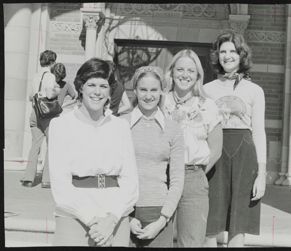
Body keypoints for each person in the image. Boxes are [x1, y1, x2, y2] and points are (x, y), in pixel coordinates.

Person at [48, 58, 139, 246]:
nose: (97, 92)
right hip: (74, 215)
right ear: (80, 87)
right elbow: (60, 185)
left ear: (110, 91)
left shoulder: (120, 127)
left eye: (103, 86)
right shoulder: (61, 125)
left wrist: (111, 219)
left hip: (114, 217)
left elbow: (131, 181)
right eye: (91, 85)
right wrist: (92, 220)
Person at [203, 31, 267, 247]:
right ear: (217, 56)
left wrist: (262, 174)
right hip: (215, 152)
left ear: (241, 55)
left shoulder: (255, 91)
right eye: (222, 51)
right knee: (210, 223)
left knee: (238, 223)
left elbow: (259, 132)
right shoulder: (206, 90)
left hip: (244, 153)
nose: (227, 56)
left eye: (232, 51)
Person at [163, 49, 223, 247]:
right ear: (171, 72)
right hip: (161, 177)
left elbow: (216, 149)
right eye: (180, 69)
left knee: (190, 242)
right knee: (158, 239)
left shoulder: (208, 106)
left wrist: (195, 175)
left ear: (198, 75)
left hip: (193, 176)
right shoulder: (160, 101)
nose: (185, 75)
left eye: (191, 70)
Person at [121, 66, 185, 247]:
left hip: (159, 211)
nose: (148, 96)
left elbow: (177, 180)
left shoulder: (173, 129)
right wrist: (126, 217)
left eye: (154, 90)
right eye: (143, 90)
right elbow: (114, 174)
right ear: (135, 91)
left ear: (162, 92)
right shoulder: (121, 124)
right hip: (126, 211)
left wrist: (162, 220)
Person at [20, 50, 60, 188]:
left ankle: (28, 179)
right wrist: (57, 90)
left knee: (35, 146)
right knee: (52, 145)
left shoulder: (36, 75)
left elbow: (31, 96)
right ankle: (46, 179)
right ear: (52, 62)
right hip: (47, 115)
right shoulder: (50, 76)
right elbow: (49, 95)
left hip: (35, 113)